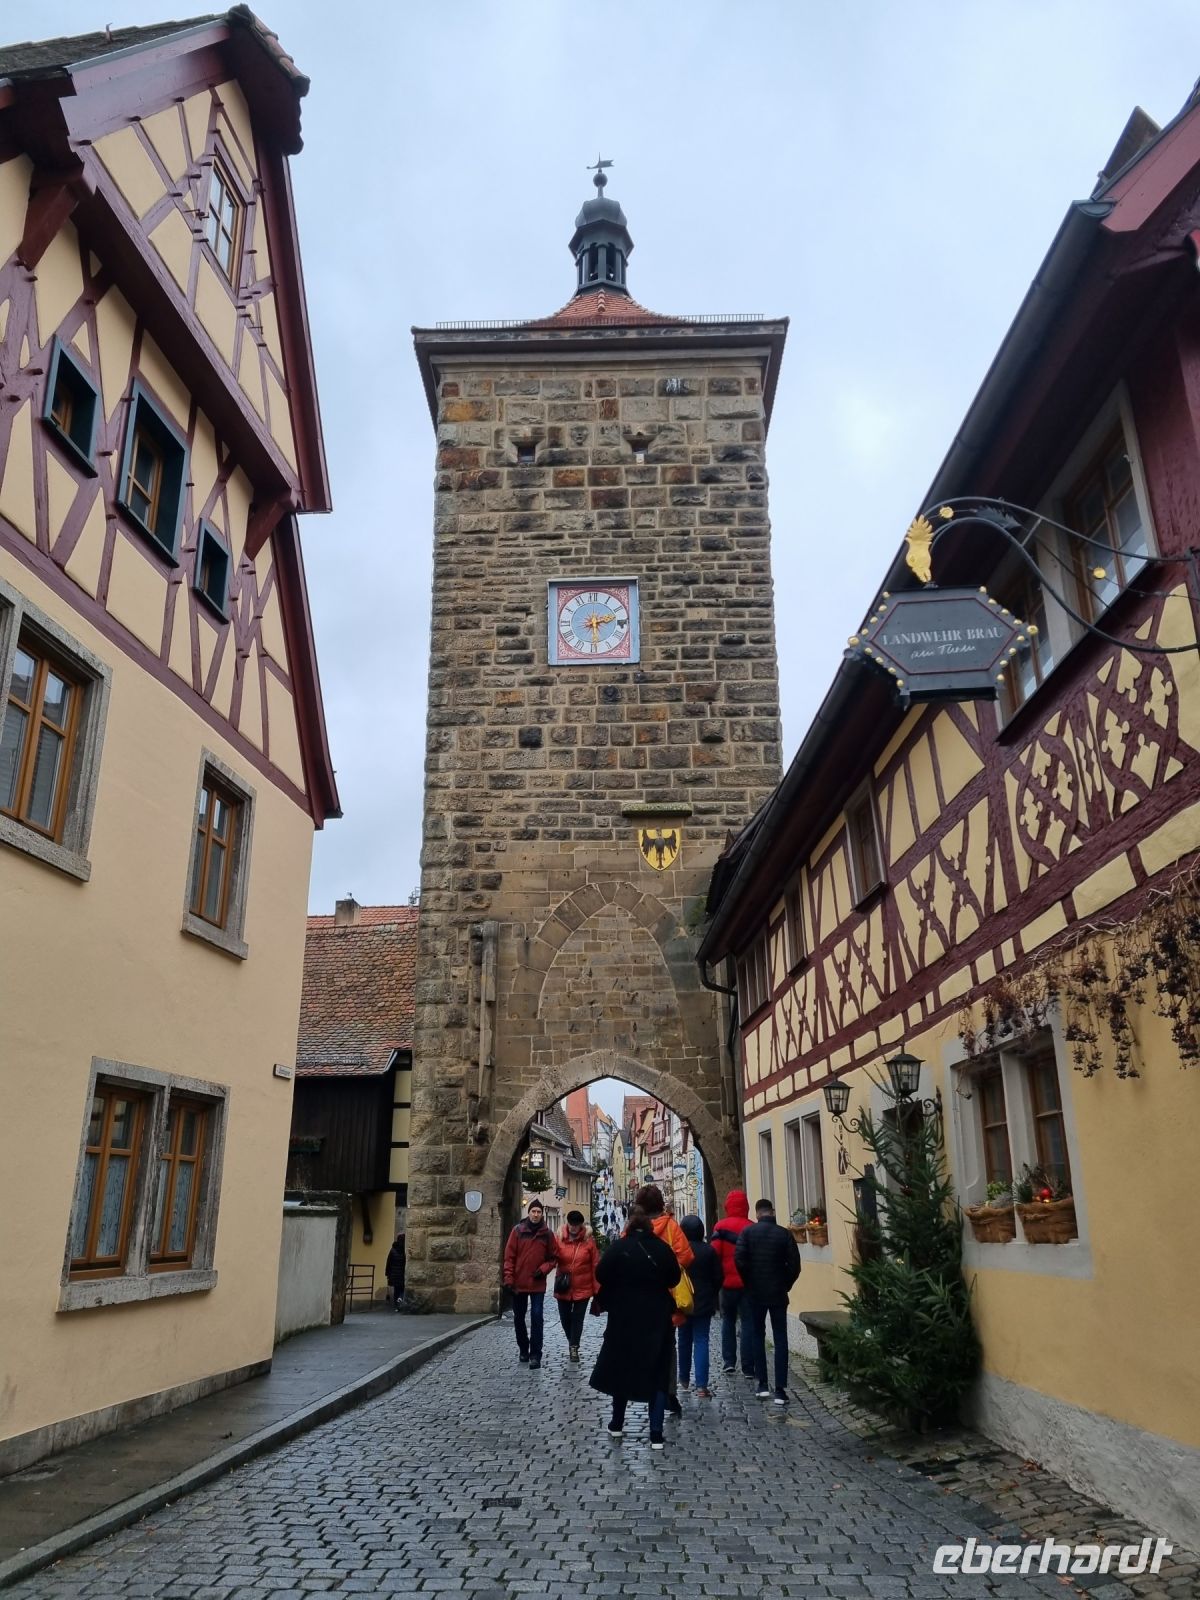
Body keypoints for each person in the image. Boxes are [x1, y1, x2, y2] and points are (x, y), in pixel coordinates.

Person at [589, 1204, 681, 1448]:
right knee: (658, 1371)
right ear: (650, 1227)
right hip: (656, 1316)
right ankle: (656, 1433)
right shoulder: (662, 1248)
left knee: (622, 1368)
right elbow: (674, 1278)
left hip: (624, 1316)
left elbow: (601, 1274)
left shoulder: (619, 1248)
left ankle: (617, 1423)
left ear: (629, 1225)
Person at [631, 1185, 694, 1416]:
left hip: (639, 1296)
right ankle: (668, 1392)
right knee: (668, 1345)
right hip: (668, 1296)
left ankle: (646, 1387)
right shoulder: (671, 1227)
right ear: (660, 1204)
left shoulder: (633, 1229)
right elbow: (686, 1256)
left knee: (643, 1343)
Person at [734, 1197, 802, 1406]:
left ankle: (762, 1384)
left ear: (757, 1214)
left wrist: (748, 1281)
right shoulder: (784, 1234)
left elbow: (739, 1260)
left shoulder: (747, 1233)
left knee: (757, 1335)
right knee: (780, 1339)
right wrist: (785, 1284)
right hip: (778, 1293)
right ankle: (780, 1390)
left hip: (755, 1293)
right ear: (772, 1212)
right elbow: (795, 1265)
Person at [502, 1199, 558, 1369]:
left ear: (542, 1214)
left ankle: (535, 1354)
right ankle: (523, 1348)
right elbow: (509, 1257)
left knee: (537, 1317)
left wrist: (544, 1269)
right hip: (519, 1282)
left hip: (537, 1282)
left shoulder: (547, 1234)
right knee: (519, 1318)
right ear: (529, 1213)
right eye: (533, 1211)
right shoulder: (518, 1231)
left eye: (538, 1212)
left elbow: (553, 1258)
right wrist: (509, 1278)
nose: (536, 1214)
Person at [710, 1189, 756, 1378]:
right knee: (748, 1322)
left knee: (728, 1321)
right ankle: (748, 1366)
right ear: (746, 1206)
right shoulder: (751, 1227)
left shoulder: (721, 1227)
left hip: (727, 1284)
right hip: (747, 1283)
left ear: (728, 1206)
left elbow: (714, 1254)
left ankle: (729, 1362)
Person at [676, 1215, 723, 1398]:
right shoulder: (709, 1251)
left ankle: (684, 1379)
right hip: (703, 1302)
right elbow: (718, 1276)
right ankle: (702, 1385)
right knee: (701, 1340)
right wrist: (712, 1293)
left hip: (683, 1302)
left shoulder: (679, 1251)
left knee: (683, 1340)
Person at [554, 1208, 600, 1361]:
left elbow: (595, 1265)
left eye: (576, 1225)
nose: (573, 1227)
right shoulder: (559, 1238)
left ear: (581, 1225)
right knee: (565, 1319)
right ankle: (571, 1341)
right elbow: (551, 1258)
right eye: (571, 1224)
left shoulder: (588, 1241)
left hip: (583, 1287)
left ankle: (574, 1347)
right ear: (567, 1223)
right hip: (563, 1285)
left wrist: (597, 1289)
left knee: (578, 1319)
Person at [384, 1230, 406, 1310]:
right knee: (402, 1289)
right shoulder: (405, 1250)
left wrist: (387, 1273)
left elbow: (388, 1262)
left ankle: (397, 1306)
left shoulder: (393, 1250)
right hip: (402, 1274)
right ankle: (400, 1300)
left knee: (396, 1290)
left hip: (394, 1274)